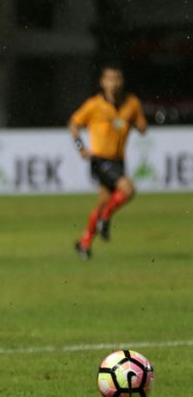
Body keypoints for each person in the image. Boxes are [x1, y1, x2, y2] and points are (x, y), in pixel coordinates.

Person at [70, 64, 147, 260]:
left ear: (122, 82)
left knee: (103, 204)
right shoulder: (94, 105)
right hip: (100, 160)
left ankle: (84, 243)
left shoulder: (132, 103)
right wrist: (81, 147)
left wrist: (140, 125)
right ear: (102, 82)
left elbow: (141, 126)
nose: (113, 84)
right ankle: (104, 220)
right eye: (109, 79)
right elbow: (74, 124)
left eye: (117, 79)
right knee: (128, 190)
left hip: (118, 161)